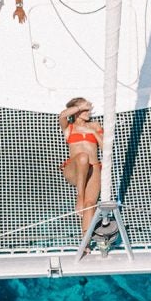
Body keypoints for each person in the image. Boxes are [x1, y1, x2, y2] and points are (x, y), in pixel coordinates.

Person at [59, 97, 103, 234]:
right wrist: (80, 107)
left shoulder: (95, 126)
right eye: (85, 109)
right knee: (83, 157)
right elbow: (62, 115)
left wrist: (93, 133)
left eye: (89, 109)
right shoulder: (69, 128)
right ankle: (80, 196)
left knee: (90, 205)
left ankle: (85, 241)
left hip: (93, 168)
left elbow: (106, 148)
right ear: (75, 110)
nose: (88, 112)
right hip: (74, 169)